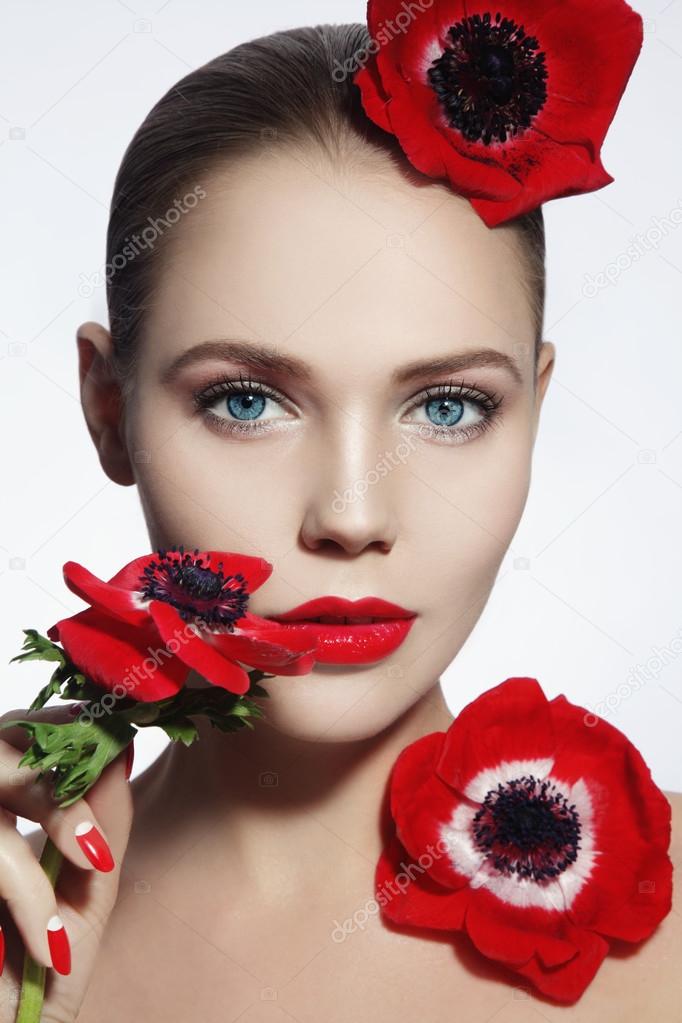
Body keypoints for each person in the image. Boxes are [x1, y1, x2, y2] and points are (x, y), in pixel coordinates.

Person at [0, 20, 679, 1022]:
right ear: (110, 410)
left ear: (532, 411)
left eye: (447, 406)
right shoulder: (31, 934)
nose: (351, 517)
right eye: (245, 401)